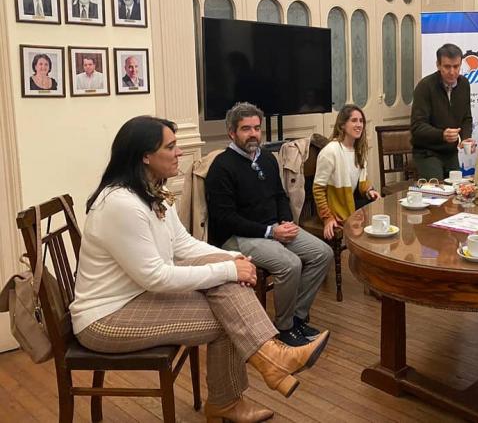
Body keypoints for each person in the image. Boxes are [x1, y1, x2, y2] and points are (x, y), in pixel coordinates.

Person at [69, 116, 330, 423]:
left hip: (137, 296)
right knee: (229, 317)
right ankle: (235, 394)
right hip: (104, 318)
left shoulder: (151, 192)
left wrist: (233, 258)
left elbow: (184, 245)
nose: (180, 152)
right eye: (171, 147)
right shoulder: (120, 204)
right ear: (146, 156)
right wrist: (230, 270)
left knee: (229, 290)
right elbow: (156, 276)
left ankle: (269, 361)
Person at [206, 102, 334, 347]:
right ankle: (284, 328)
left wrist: (285, 221)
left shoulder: (266, 158)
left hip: (273, 228)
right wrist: (270, 232)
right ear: (231, 133)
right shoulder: (221, 167)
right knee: (290, 264)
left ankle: (297, 317)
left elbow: (279, 196)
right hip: (238, 237)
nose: (253, 134)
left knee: (323, 253)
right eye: (246, 129)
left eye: (257, 128)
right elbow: (225, 218)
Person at [313, 104, 381, 240]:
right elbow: (318, 189)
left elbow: (362, 180)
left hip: (351, 203)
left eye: (361, 121)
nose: (359, 125)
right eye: (354, 120)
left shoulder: (359, 150)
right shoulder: (330, 151)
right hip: (337, 209)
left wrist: (369, 190)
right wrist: (327, 218)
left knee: (381, 212)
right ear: (342, 125)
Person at [410, 43, 475, 179]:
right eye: (447, 67)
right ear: (438, 65)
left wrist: (466, 138)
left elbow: (466, 118)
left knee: (457, 188)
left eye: (456, 66)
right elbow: (417, 126)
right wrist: (442, 134)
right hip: (427, 152)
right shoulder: (425, 86)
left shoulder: (464, 84)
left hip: (450, 152)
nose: (452, 72)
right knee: (437, 188)